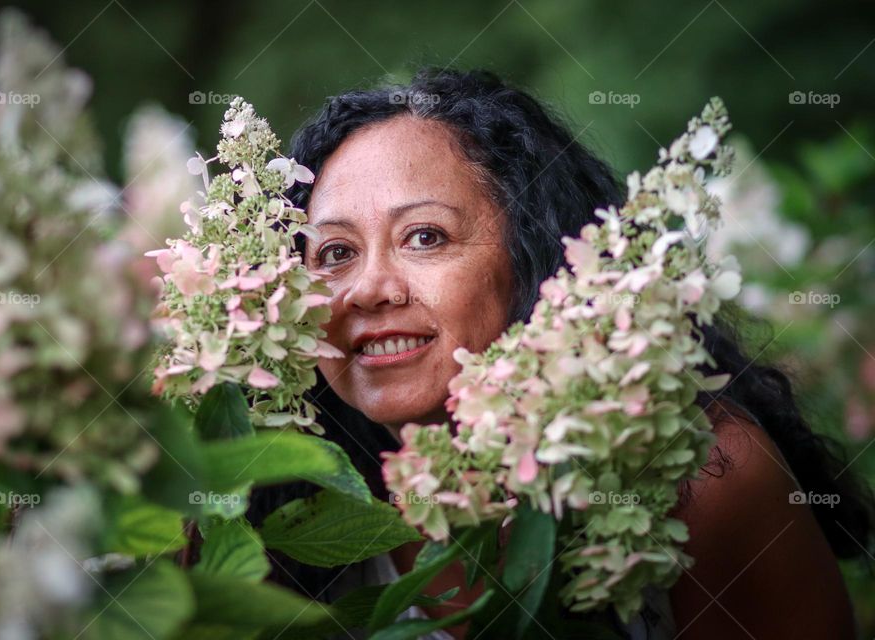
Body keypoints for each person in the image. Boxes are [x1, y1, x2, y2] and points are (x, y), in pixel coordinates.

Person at [246, 67, 873, 639]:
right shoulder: (269, 503)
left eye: (425, 236)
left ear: (532, 255)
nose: (368, 289)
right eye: (333, 253)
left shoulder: (706, 476)